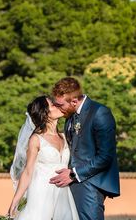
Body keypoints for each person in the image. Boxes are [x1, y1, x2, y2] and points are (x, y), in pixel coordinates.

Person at [49, 77, 120, 220]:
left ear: (74, 101)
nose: (57, 108)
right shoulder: (69, 116)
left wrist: (74, 174)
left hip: (90, 183)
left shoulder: (100, 113)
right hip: (70, 182)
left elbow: (106, 156)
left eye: (60, 104)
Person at [7, 96, 78, 219]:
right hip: (41, 193)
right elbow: (28, 171)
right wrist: (15, 200)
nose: (58, 106)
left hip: (63, 193)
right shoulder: (36, 139)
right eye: (53, 105)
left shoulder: (64, 136)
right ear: (44, 113)